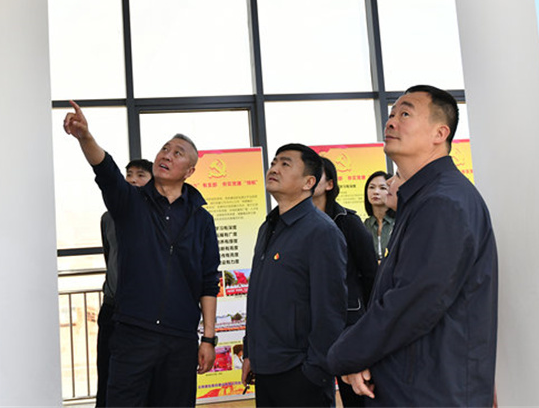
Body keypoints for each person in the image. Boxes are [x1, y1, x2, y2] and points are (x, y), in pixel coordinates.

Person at [327, 85, 498, 406]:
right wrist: (360, 356)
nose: (391, 121)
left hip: (430, 392)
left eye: (405, 113)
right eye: (391, 114)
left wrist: (345, 354)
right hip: (414, 383)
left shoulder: (443, 201)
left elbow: (412, 302)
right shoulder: (424, 198)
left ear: (439, 133)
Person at [64, 101, 220, 408]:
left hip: (180, 339)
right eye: (164, 149)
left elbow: (208, 280)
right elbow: (106, 170)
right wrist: (85, 137)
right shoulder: (130, 202)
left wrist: (208, 339)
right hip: (133, 333)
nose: (167, 155)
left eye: (177, 153)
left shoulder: (202, 220)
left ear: (189, 171)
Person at [241, 143, 347, 407]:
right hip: (265, 368)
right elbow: (257, 295)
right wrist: (251, 352)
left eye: (285, 164)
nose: (274, 168)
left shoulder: (321, 231)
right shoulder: (268, 227)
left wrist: (315, 371)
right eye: (274, 163)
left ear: (309, 182)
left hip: (300, 373)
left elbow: (330, 309)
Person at [312, 155, 377, 408]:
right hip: (314, 321)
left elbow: (370, 274)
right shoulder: (297, 224)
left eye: (316, 173)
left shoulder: (347, 221)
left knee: (354, 393)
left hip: (350, 321)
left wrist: (369, 321)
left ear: (329, 184)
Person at [96, 159, 153, 407]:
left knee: (142, 379)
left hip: (145, 312)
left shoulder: (158, 217)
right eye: (129, 174)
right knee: (106, 374)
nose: (133, 180)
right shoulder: (107, 218)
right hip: (112, 308)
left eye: (141, 175)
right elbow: (110, 256)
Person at [362, 171, 394, 261]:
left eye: (382, 188)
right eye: (371, 187)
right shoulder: (364, 225)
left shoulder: (399, 222)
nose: (376, 192)